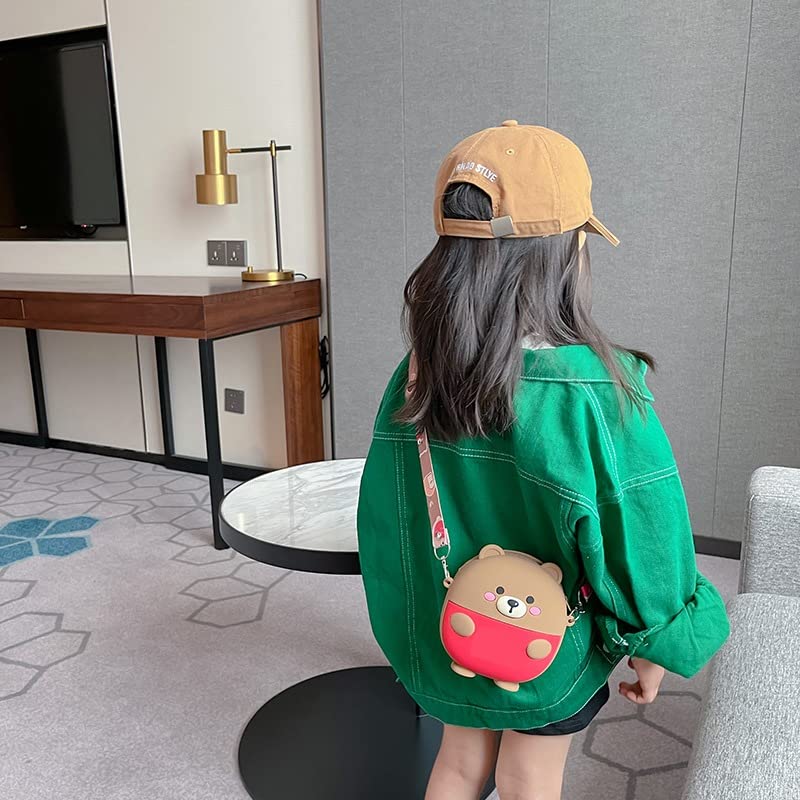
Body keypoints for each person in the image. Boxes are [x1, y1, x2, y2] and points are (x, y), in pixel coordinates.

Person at [357, 121, 729, 800]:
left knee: (459, 763)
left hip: (460, 629)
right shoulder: (597, 392)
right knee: (529, 775)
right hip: (551, 644)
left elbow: (392, 518)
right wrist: (654, 642)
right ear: (570, 251)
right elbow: (643, 538)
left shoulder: (416, 375)